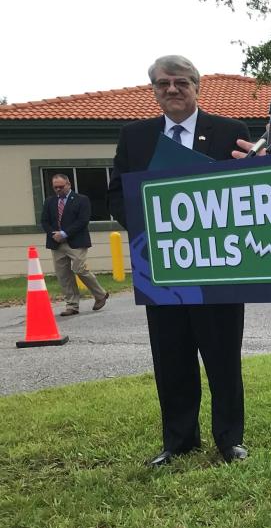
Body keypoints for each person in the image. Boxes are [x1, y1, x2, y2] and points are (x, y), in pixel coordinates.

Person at [107, 56, 250, 467]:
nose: (172, 89)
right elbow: (117, 194)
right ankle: (179, 440)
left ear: (196, 87)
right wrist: (148, 222)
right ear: (153, 89)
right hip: (160, 268)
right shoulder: (135, 136)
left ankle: (229, 439)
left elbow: (247, 186)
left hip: (219, 267)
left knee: (223, 355)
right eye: (163, 83)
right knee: (170, 357)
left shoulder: (230, 131)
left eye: (181, 82)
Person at [40, 172, 108, 316]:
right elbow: (44, 221)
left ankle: (100, 294)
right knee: (63, 275)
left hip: (76, 241)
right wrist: (54, 234)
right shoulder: (49, 202)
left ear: (69, 184)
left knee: (79, 268)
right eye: (55, 187)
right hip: (56, 243)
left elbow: (83, 221)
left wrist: (65, 233)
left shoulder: (81, 200)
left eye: (60, 187)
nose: (58, 190)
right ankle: (72, 305)